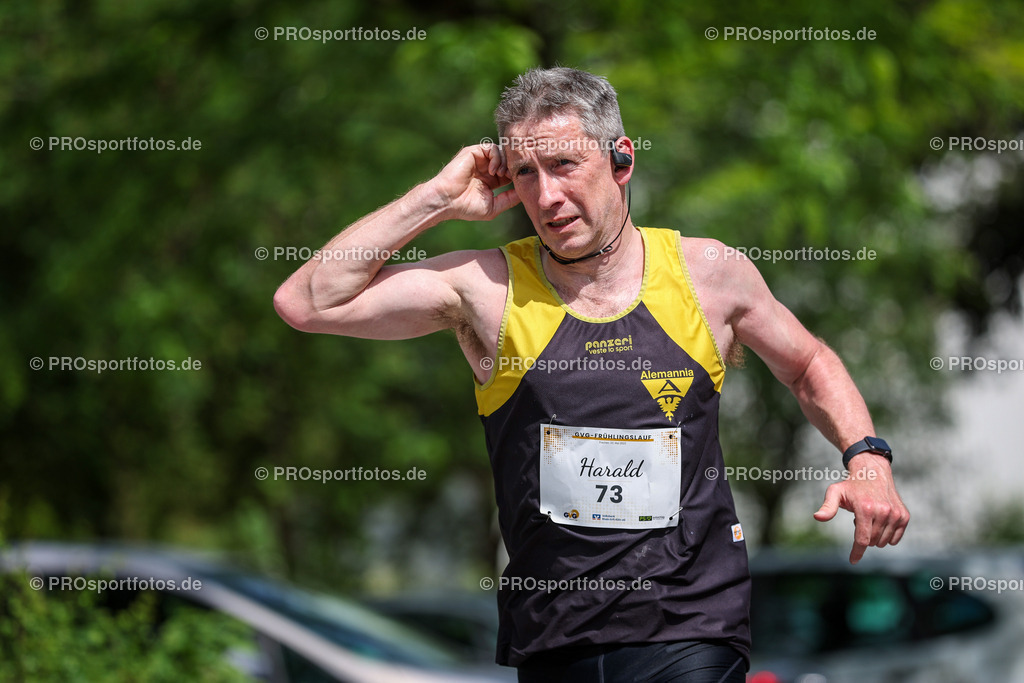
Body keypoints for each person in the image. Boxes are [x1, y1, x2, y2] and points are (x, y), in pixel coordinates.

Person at [274, 66, 910, 682]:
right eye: (526, 172)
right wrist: (435, 199)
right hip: (554, 633)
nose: (546, 196)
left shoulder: (708, 274)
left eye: (564, 165)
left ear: (621, 159)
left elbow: (808, 363)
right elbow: (308, 303)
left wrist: (868, 459)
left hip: (691, 626)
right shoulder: (484, 288)